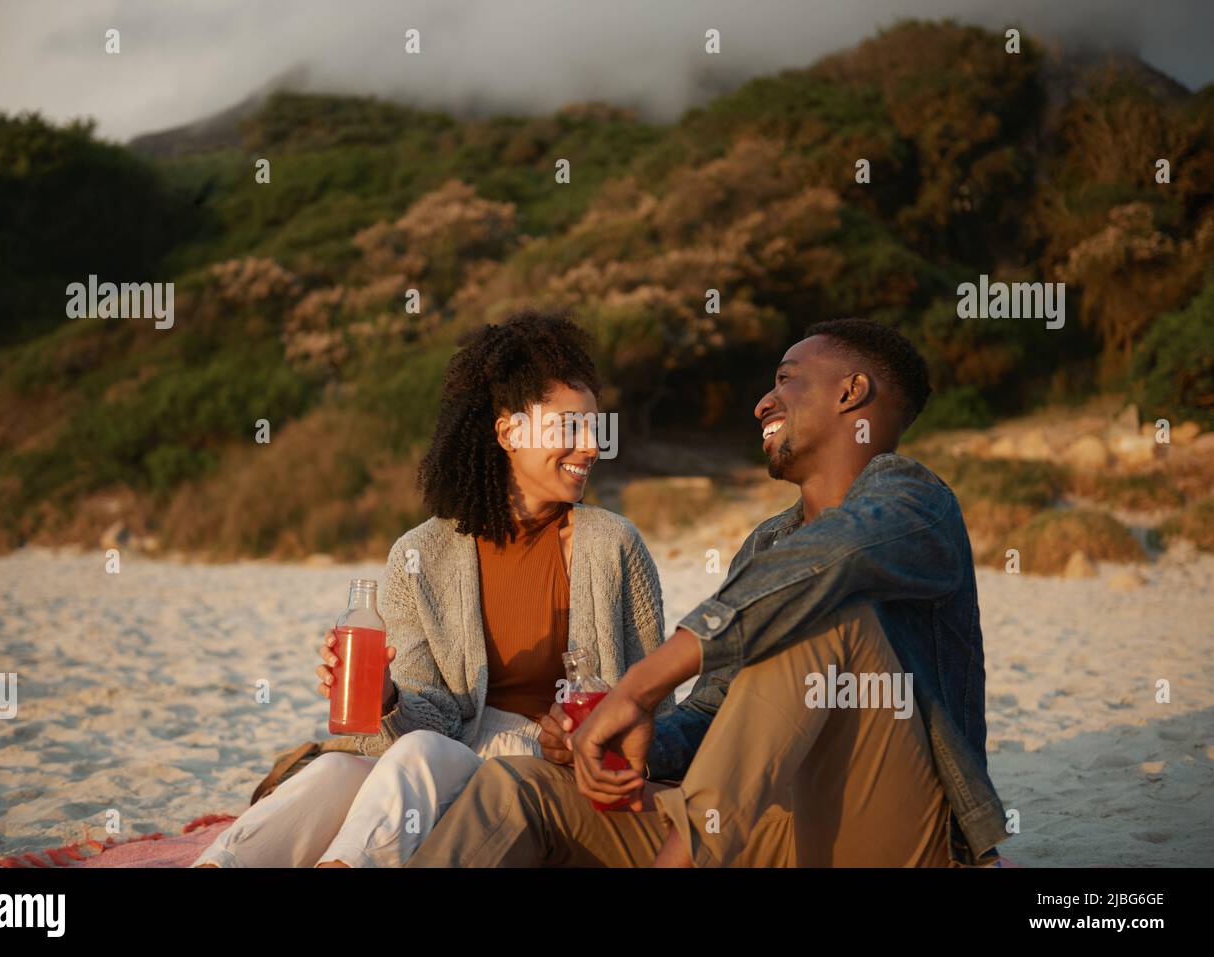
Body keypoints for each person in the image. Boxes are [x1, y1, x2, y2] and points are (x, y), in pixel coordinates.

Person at [407, 318, 1010, 868]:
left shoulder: (917, 502)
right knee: (517, 787)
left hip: (884, 834)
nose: (762, 402)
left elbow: (833, 559)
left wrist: (641, 686)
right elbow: (712, 713)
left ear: (850, 394)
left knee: (819, 613)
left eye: (786, 380)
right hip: (759, 835)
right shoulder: (768, 541)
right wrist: (631, 738)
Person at [193, 309, 669, 868]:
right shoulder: (420, 557)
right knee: (334, 770)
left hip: (540, 776)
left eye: (594, 428)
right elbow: (431, 724)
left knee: (419, 755)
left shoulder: (614, 546)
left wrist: (594, 740)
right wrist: (387, 698)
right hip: (441, 755)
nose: (590, 447)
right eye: (570, 427)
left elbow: (657, 705)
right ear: (509, 432)